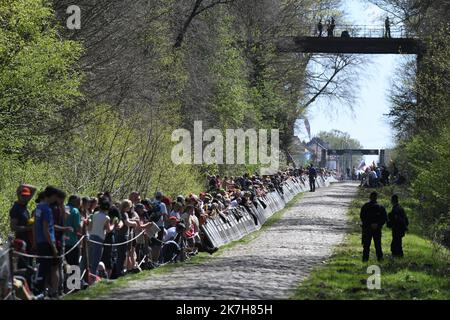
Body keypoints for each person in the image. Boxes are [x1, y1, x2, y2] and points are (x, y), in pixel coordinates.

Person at [34, 186, 63, 296]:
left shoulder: (38, 207)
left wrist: (36, 241)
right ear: (52, 196)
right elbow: (46, 229)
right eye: (55, 196)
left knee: (42, 268)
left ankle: (41, 291)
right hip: (47, 243)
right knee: (46, 269)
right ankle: (41, 292)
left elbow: (36, 226)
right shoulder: (46, 209)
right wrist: (53, 247)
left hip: (40, 242)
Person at [9, 184, 37, 269]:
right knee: (23, 266)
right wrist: (28, 228)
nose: (25, 198)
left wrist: (22, 185)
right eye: (23, 196)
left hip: (29, 241)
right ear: (19, 195)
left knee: (29, 265)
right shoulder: (16, 208)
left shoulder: (24, 206)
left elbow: (34, 189)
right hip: (21, 243)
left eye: (27, 196)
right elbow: (13, 227)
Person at [88, 198, 115, 276]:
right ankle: (93, 277)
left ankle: (89, 276)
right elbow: (109, 230)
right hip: (99, 239)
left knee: (90, 258)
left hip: (91, 237)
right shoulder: (106, 217)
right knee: (96, 260)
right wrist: (113, 224)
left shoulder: (94, 214)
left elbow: (91, 227)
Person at [360, 192, 387, 262]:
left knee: (366, 246)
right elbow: (384, 218)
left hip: (367, 229)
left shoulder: (365, 206)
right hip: (376, 229)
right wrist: (378, 224)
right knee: (377, 245)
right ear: (376, 198)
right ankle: (380, 259)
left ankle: (365, 259)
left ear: (370, 197)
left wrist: (369, 224)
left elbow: (362, 217)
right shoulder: (380, 207)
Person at [64, 195, 82, 267]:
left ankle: (64, 278)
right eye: (78, 201)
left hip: (62, 242)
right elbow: (77, 228)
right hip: (72, 242)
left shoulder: (63, 208)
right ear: (74, 201)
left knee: (64, 266)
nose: (79, 203)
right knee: (74, 266)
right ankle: (73, 278)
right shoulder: (75, 211)